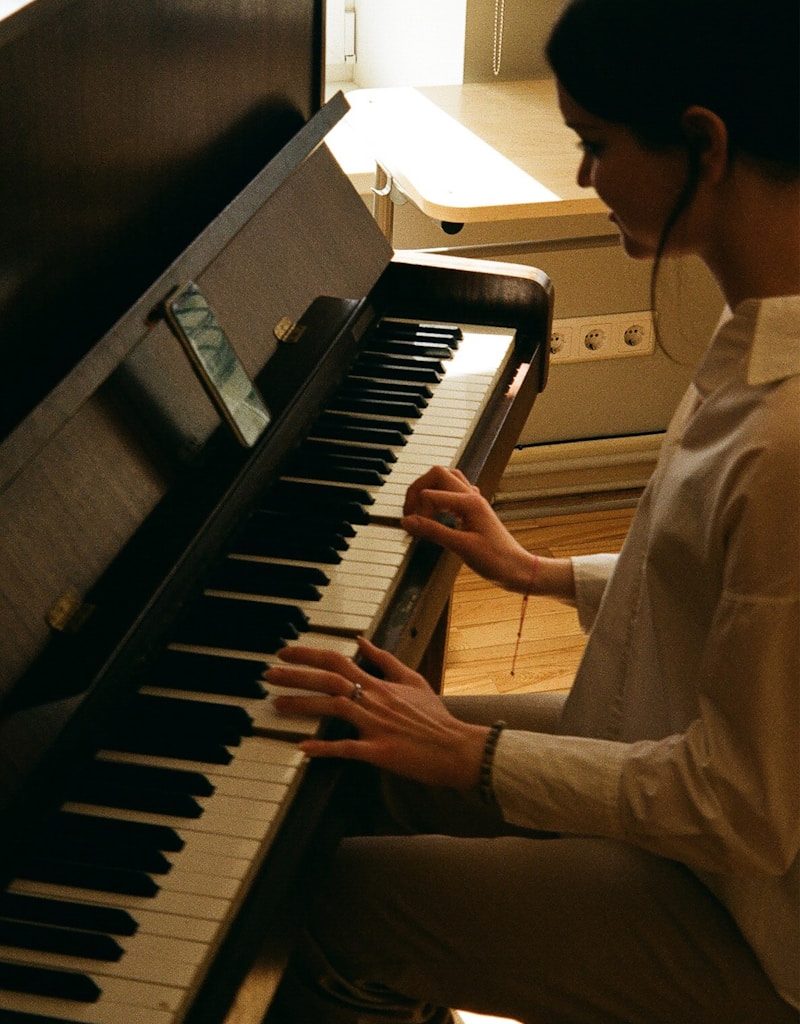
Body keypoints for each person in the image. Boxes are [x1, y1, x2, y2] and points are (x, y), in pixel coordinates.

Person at [264, 0, 800, 1020]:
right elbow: (731, 586)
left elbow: (742, 810)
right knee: (333, 755)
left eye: (595, 144)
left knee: (327, 897)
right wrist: (539, 571)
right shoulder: (763, 332)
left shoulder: (785, 437)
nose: (586, 177)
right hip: (682, 748)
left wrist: (471, 756)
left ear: (705, 143)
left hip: (750, 912)